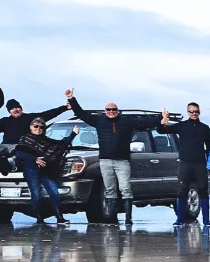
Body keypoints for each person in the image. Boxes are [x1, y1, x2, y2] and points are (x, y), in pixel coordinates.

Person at [65, 89, 164, 225]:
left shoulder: (126, 121)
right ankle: (111, 219)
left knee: (125, 189)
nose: (111, 111)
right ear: (104, 110)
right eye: (108, 109)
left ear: (117, 110)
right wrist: (71, 99)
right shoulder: (98, 121)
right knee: (109, 189)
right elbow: (81, 114)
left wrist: (160, 118)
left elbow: (144, 122)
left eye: (114, 109)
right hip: (105, 161)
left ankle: (128, 219)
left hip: (122, 161)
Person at [161, 102, 210, 227]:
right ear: (187, 112)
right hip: (185, 163)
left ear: (199, 112)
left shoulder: (204, 128)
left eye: (196, 111)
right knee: (182, 190)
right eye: (191, 111)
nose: (194, 113)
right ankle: (180, 219)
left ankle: (206, 220)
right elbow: (162, 130)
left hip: (200, 163)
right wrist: (164, 119)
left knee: (203, 190)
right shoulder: (182, 126)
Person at [14, 117, 77, 225]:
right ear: (31, 127)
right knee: (36, 194)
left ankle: (60, 218)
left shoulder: (47, 141)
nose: (38, 129)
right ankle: (39, 219)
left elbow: (61, 145)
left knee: (54, 192)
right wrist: (35, 159)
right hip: (31, 169)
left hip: (46, 169)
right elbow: (19, 153)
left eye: (41, 127)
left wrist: (73, 134)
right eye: (36, 126)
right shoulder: (25, 139)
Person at [0, 99, 70, 145]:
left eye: (17, 107)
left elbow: (48, 114)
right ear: (9, 112)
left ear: (21, 109)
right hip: (7, 147)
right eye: (12, 109)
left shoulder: (31, 118)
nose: (15, 110)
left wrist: (64, 107)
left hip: (25, 148)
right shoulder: (4, 121)